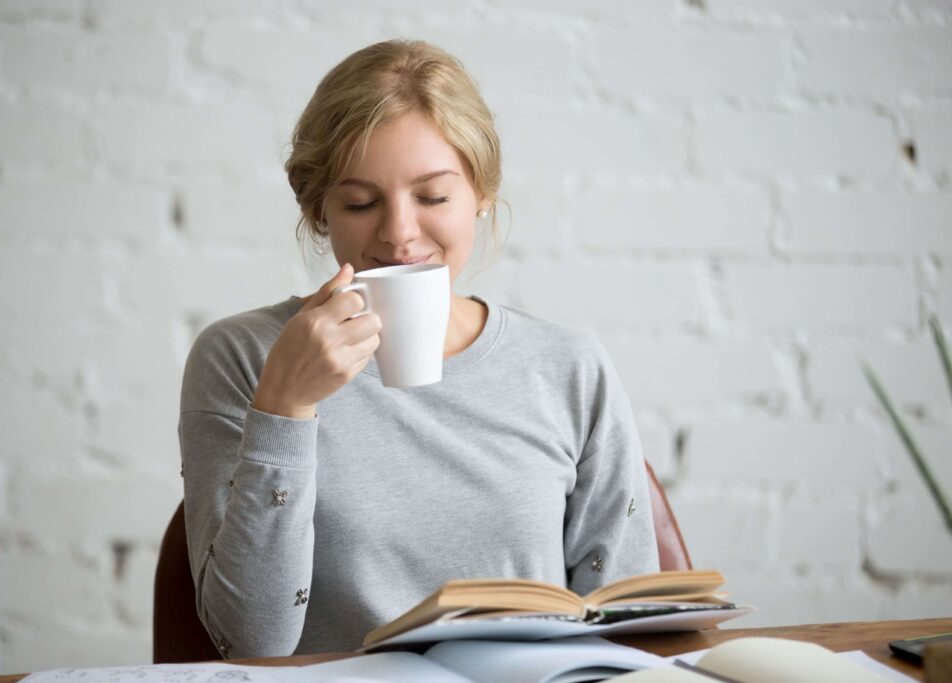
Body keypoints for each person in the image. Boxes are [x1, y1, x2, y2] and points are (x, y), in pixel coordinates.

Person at [178, 38, 657, 660]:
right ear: (318, 209)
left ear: (481, 194)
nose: (400, 233)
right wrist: (285, 406)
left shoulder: (569, 367)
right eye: (360, 202)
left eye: (433, 197)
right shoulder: (240, 357)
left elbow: (627, 623)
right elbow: (251, 642)